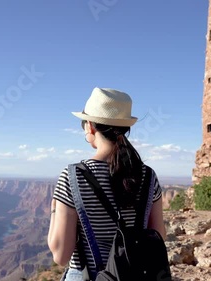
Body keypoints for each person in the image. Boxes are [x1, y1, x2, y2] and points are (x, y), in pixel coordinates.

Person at [47, 87, 167, 281]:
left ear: (90, 126)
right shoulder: (148, 175)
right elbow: (158, 235)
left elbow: (60, 255)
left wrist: (54, 211)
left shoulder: (72, 176)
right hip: (135, 275)